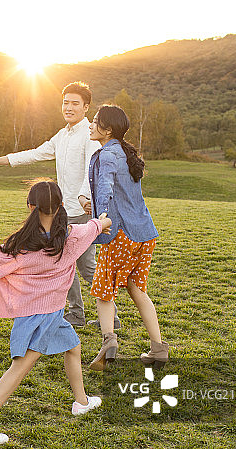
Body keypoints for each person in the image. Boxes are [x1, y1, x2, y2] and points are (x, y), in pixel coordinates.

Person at [0, 181, 112, 445]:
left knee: (73, 347)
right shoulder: (73, 236)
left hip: (50, 314)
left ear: (31, 206)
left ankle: (81, 402)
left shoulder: (19, 244)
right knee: (20, 368)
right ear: (62, 206)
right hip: (40, 316)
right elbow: (97, 227)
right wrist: (102, 220)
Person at [0, 82, 119, 329]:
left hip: (83, 214)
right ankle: (76, 313)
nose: (69, 107)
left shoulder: (88, 134)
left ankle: (112, 317)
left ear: (86, 107)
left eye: (75, 103)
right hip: (62, 213)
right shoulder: (62, 134)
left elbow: (93, 166)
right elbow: (34, 153)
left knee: (87, 267)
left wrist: (84, 197)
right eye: (66, 102)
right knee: (62, 262)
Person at [82, 105, 169, 371]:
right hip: (144, 233)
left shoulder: (107, 155)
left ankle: (109, 344)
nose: (91, 125)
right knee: (136, 289)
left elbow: (106, 188)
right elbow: (121, 193)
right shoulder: (126, 153)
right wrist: (93, 205)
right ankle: (158, 349)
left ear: (107, 130)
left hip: (119, 234)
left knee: (103, 292)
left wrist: (100, 219)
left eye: (95, 122)